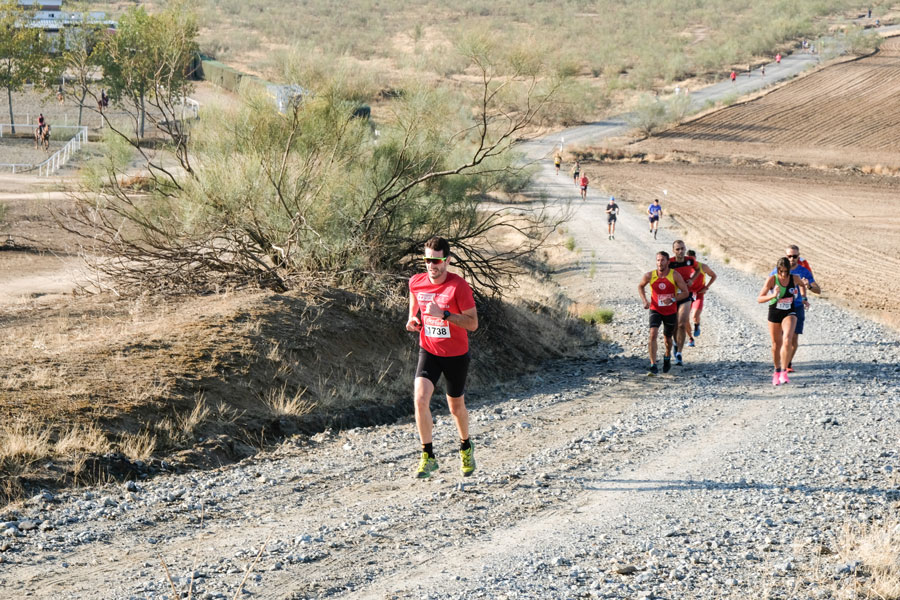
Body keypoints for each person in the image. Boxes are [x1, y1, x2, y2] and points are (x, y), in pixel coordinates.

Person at [406, 236, 478, 479]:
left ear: (446, 260)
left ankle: (466, 446)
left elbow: (473, 324)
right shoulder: (416, 281)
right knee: (419, 399)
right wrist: (413, 319)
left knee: (455, 407)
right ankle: (428, 456)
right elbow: (414, 299)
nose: (431, 266)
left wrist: (445, 315)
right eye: (428, 260)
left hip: (456, 355)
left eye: (436, 261)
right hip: (428, 350)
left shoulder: (459, 287)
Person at [769, 245, 820, 373]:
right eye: (789, 256)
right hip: (780, 307)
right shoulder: (776, 271)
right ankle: (779, 364)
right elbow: (768, 287)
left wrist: (808, 287)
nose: (792, 259)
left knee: (793, 338)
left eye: (795, 256)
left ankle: (787, 364)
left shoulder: (803, 272)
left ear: (799, 256)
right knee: (779, 339)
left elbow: (817, 290)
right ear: (785, 256)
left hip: (796, 307)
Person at [758, 257, 808, 386]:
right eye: (781, 271)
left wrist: (803, 298)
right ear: (778, 269)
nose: (784, 274)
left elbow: (802, 285)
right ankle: (777, 371)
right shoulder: (772, 279)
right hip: (775, 312)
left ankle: (784, 372)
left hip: (789, 312)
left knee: (787, 339)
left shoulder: (795, 278)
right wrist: (773, 295)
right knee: (776, 344)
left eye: (787, 271)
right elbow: (760, 298)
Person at [639, 251, 689, 375]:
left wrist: (672, 299)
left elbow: (685, 292)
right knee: (653, 334)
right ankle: (653, 364)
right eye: (657, 260)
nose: (659, 263)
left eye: (662, 260)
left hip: (670, 311)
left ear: (668, 262)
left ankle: (667, 357)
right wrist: (645, 300)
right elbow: (640, 286)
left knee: (667, 339)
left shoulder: (675, 275)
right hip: (655, 309)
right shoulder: (650, 275)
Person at [668, 241, 700, 365]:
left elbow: (698, 269)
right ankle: (675, 344)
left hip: (686, 295)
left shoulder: (690, 260)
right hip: (673, 296)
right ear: (673, 251)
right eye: (677, 249)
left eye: (682, 249)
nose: (680, 251)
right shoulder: (669, 263)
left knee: (682, 323)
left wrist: (692, 280)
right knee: (675, 325)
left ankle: (679, 354)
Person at [684, 249, 717, 347]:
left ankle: (697, 324)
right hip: (687, 295)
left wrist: (707, 287)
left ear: (695, 259)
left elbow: (714, 276)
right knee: (685, 318)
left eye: (693, 260)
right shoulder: (684, 268)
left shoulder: (703, 267)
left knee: (694, 316)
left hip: (699, 294)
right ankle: (690, 339)